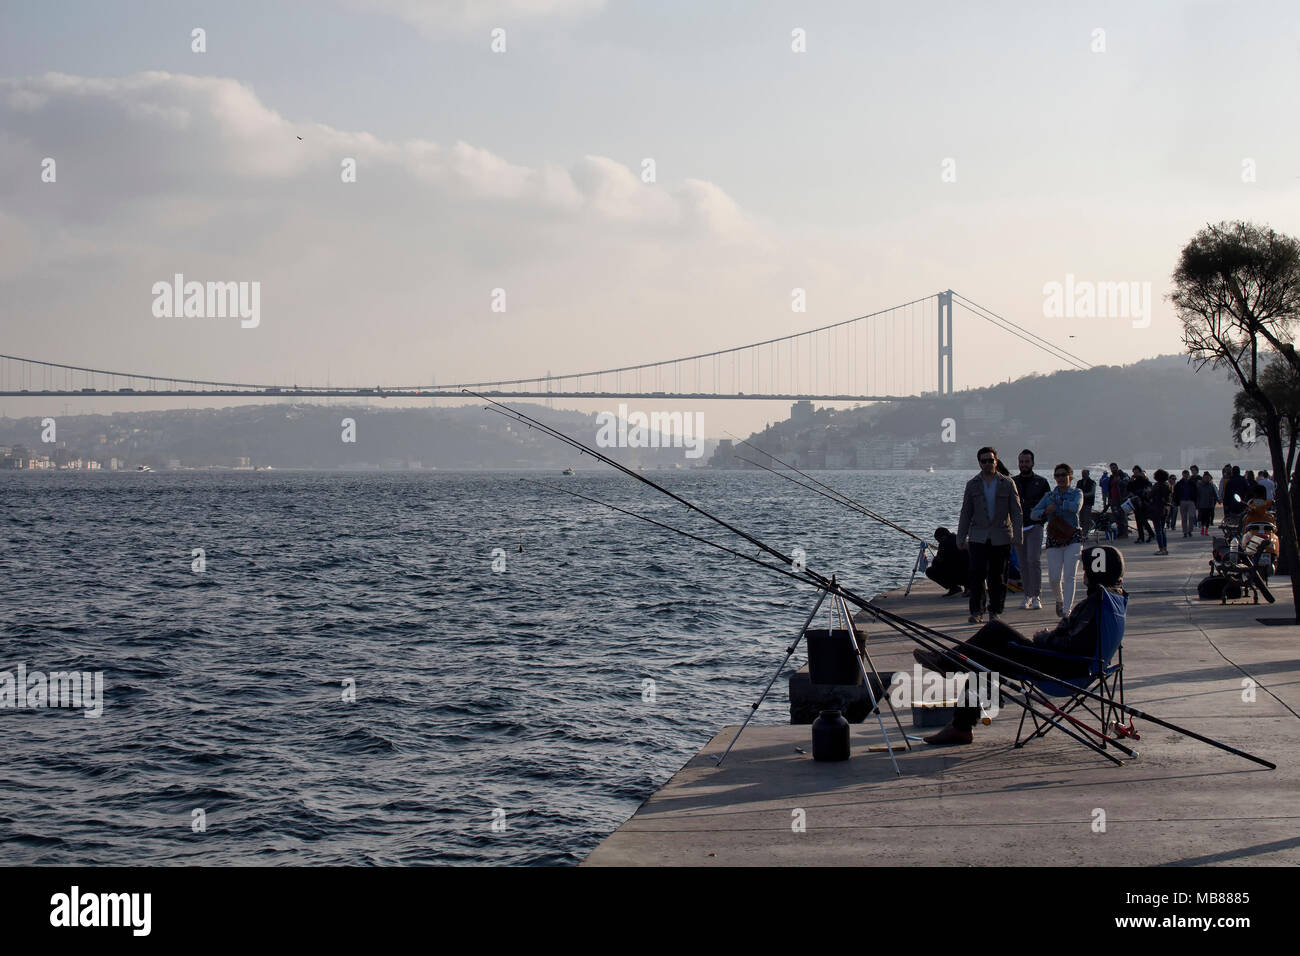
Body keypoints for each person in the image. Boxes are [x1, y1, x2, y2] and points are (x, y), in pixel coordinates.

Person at [914, 546, 1128, 746]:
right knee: (983, 656)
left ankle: (950, 670)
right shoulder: (1112, 599)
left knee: (993, 632)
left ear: (1098, 570)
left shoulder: (1096, 603)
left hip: (1060, 669)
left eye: (1087, 569)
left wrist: (1044, 638)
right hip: (1076, 666)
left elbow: (1071, 644)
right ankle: (960, 721)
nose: (1084, 574)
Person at [955, 447, 1023, 625]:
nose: (987, 463)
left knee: (998, 577)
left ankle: (995, 611)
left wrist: (1018, 535)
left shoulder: (1007, 483)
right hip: (978, 536)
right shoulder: (972, 484)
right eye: (983, 461)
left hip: (1001, 536)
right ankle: (977, 611)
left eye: (990, 460)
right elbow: (966, 512)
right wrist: (960, 536)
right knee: (976, 575)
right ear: (979, 463)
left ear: (996, 461)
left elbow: (1016, 512)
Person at [1033, 463, 1084, 618]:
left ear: (1070, 476)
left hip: (1073, 537)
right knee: (1054, 577)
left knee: (1070, 575)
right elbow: (1033, 514)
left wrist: (1061, 503)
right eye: (1057, 475)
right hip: (1054, 539)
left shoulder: (1077, 492)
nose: (1060, 478)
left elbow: (1076, 507)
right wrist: (1044, 511)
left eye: (1063, 475)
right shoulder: (1048, 496)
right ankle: (1059, 599)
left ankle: (1067, 611)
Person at [1013, 450, 1050, 610]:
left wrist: (1041, 520)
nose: (1023, 464)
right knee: (1022, 563)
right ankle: (1026, 595)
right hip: (1018, 527)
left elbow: (1049, 503)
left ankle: (1036, 596)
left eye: (1026, 461)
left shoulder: (1041, 482)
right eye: (1021, 462)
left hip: (1035, 526)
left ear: (1032, 463)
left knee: (1033, 560)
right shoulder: (1012, 482)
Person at [925, 527, 968, 596]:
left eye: (938, 540)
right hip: (970, 572)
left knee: (930, 571)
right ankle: (968, 586)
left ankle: (954, 587)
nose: (938, 542)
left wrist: (935, 560)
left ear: (943, 537)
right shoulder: (959, 539)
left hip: (958, 573)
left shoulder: (944, 544)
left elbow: (938, 562)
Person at [1128, 466, 1153, 543]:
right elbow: (1129, 489)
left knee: (1142, 519)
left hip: (1143, 502)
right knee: (1139, 520)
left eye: (1137, 472)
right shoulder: (1134, 481)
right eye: (1134, 472)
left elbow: (1149, 488)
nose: (1135, 473)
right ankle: (1141, 537)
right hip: (1136, 502)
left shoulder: (1144, 480)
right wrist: (1130, 481)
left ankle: (1150, 534)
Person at [1149, 468, 1171, 554]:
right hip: (1165, 509)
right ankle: (1164, 548)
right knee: (1162, 530)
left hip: (1157, 509)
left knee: (1158, 530)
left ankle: (1161, 548)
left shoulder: (1157, 486)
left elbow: (1150, 496)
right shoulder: (1167, 485)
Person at [1107, 463, 1129, 538]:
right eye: (1111, 468)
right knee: (1116, 516)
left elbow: (1127, 484)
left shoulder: (1123, 475)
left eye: (1114, 467)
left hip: (1122, 499)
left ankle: (1125, 533)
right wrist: (1109, 499)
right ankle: (1120, 532)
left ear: (1117, 467)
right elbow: (1109, 489)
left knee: (1123, 516)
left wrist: (1119, 481)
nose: (1113, 469)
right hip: (1114, 499)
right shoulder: (1111, 477)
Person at [1175, 469, 1198, 537]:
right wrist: (1176, 501)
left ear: (1188, 475)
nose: (1185, 476)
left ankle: (1190, 530)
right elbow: (1175, 493)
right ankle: (1185, 532)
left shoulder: (1192, 483)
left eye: (1187, 475)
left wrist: (1195, 501)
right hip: (1182, 501)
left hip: (1191, 501)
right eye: (1184, 475)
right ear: (1182, 475)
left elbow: (1196, 492)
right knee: (1184, 518)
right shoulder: (1179, 483)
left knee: (1191, 516)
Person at [1077, 469, 1097, 534]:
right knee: (1081, 519)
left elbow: (1092, 493)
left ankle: (1085, 533)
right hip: (1081, 503)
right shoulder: (1079, 482)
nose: (1083, 475)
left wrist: (1083, 495)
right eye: (1082, 474)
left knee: (1086, 519)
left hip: (1088, 503)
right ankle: (1082, 532)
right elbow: (1076, 491)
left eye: (1085, 474)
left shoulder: (1092, 482)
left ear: (1088, 474)